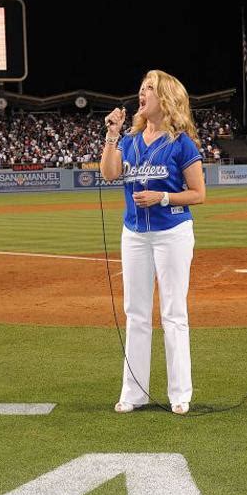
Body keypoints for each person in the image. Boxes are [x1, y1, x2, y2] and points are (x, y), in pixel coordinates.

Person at [100, 69, 206, 415]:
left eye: (149, 89)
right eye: (141, 88)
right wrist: (112, 136)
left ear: (166, 99)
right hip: (134, 235)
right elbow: (110, 173)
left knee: (173, 312)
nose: (141, 94)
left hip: (171, 234)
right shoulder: (129, 140)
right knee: (136, 314)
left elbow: (198, 194)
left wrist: (163, 197)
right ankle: (134, 393)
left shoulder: (181, 143)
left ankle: (180, 393)